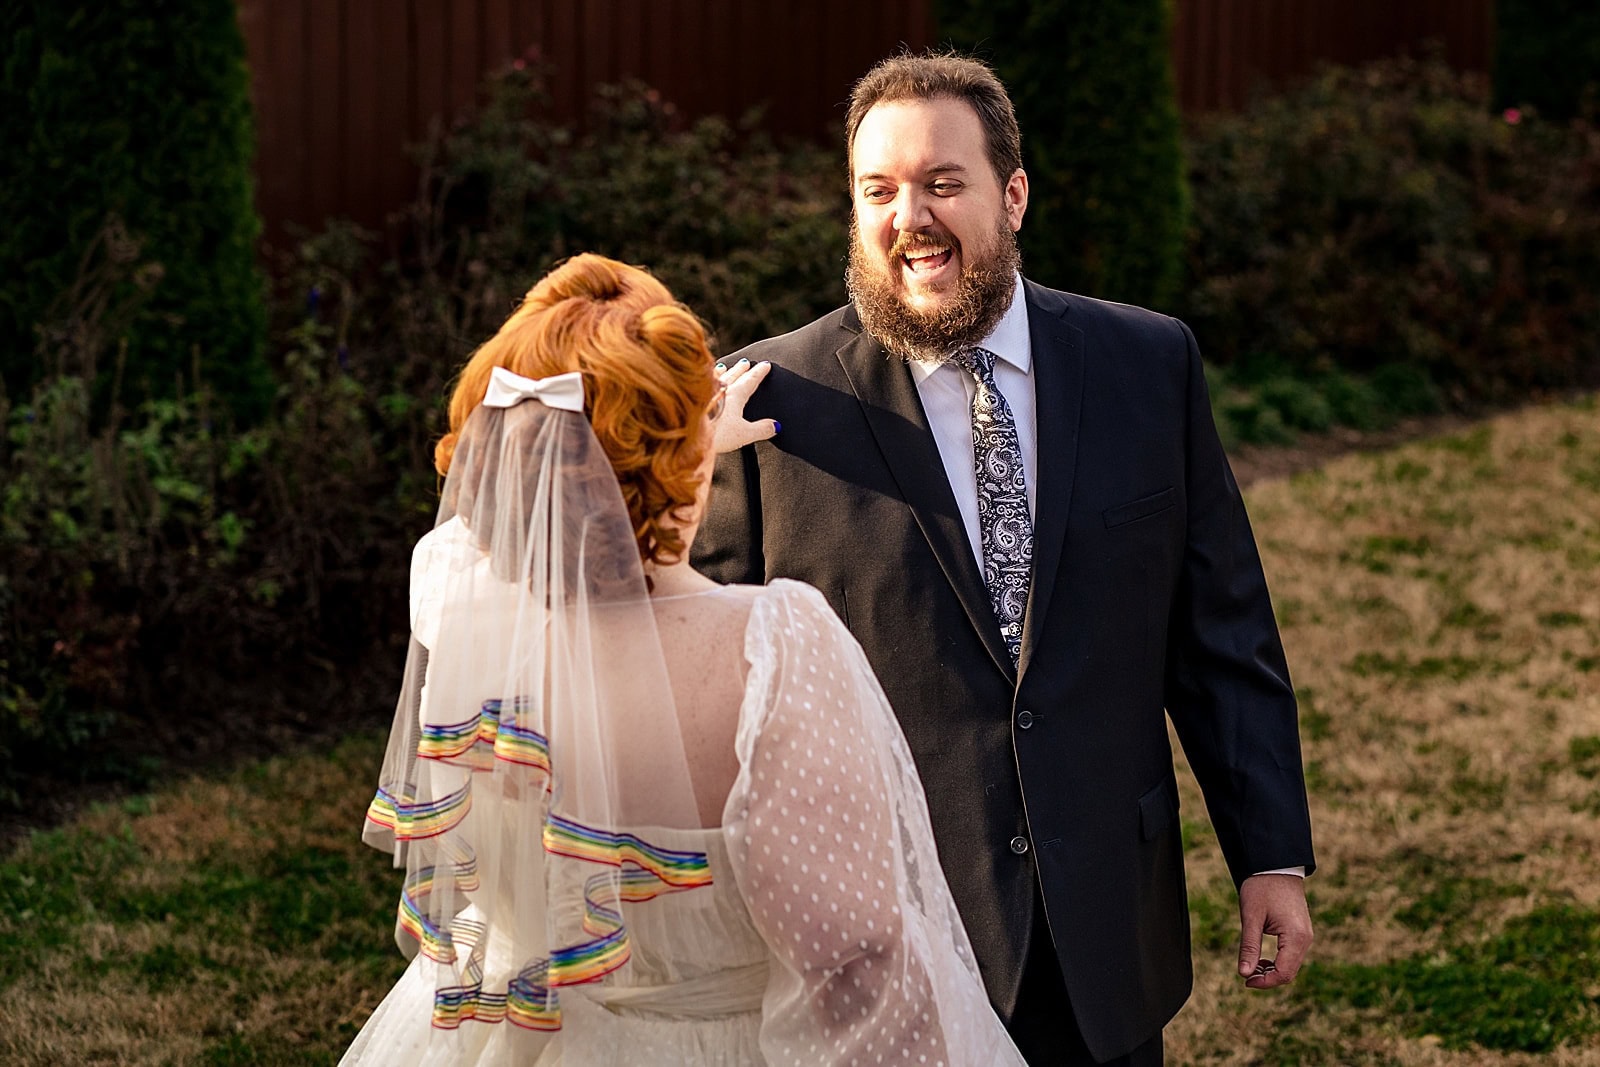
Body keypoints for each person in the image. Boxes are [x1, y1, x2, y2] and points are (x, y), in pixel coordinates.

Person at [693, 52, 1316, 1065]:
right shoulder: (770, 408)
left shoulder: (1148, 365)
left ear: (1013, 193)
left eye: (942, 183)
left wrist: (1269, 856)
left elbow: (1220, 633)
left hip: (1105, 930)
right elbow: (714, 684)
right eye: (878, 191)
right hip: (877, 943)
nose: (910, 218)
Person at [341, 253, 1025, 1066]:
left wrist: (673, 445)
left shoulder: (457, 601)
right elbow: (857, 953)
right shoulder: (770, 649)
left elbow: (534, 504)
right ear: (672, 459)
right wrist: (693, 450)